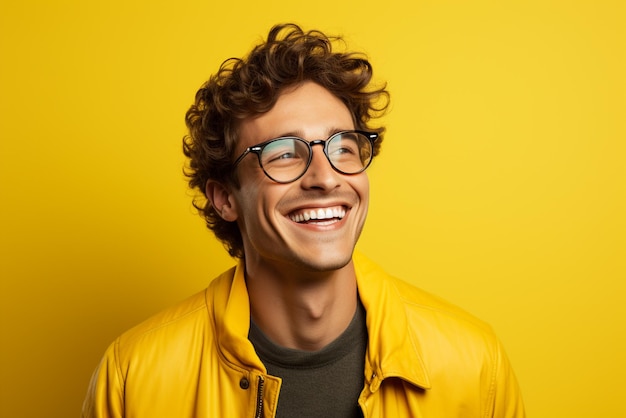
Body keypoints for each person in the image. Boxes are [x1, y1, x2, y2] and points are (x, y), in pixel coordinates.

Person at [82, 23, 525, 418]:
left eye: (343, 147)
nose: (325, 176)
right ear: (224, 197)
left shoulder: (473, 366)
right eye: (282, 154)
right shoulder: (134, 378)